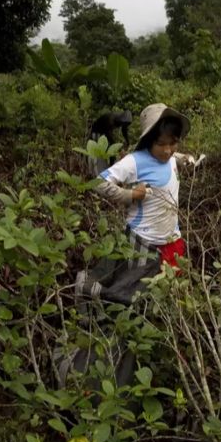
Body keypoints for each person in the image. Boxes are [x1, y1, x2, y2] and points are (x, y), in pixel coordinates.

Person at [75, 103, 192, 305]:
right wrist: (130, 195)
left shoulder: (171, 157)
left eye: (173, 143)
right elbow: (99, 183)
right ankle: (90, 295)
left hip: (171, 239)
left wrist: (187, 159)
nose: (167, 151)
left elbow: (175, 157)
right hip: (143, 243)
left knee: (164, 293)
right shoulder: (135, 161)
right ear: (149, 141)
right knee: (128, 294)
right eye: (161, 144)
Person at [86, 109, 133, 176]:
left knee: (111, 154)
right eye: (123, 124)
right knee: (98, 153)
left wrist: (128, 142)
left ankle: (110, 168)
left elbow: (124, 131)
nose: (123, 125)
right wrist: (119, 149)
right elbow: (110, 137)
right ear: (120, 120)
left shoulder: (123, 121)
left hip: (105, 134)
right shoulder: (110, 119)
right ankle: (96, 172)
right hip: (97, 132)